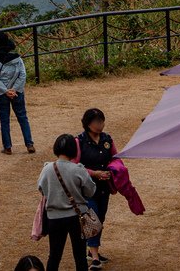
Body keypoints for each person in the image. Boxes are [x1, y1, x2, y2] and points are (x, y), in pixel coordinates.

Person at [38, 134, 96, 271]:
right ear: (74, 150)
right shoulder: (78, 169)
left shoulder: (47, 169)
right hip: (77, 217)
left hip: (54, 218)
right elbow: (90, 191)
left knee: (54, 255)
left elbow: (41, 189)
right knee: (79, 256)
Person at [77, 109, 115, 269]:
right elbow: (75, 167)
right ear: (87, 124)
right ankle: (94, 258)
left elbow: (115, 158)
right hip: (86, 189)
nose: (100, 125)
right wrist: (94, 173)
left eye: (102, 121)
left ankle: (91, 250)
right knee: (93, 220)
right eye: (96, 122)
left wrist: (112, 171)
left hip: (104, 188)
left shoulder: (107, 139)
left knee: (101, 218)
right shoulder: (79, 141)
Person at [0, 32, 35, 155]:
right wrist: (14, 89)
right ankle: (29, 143)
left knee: (4, 120)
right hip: (17, 93)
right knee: (23, 117)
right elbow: (22, 75)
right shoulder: (18, 60)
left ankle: (7, 147)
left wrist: (5, 91)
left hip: (1, 94)